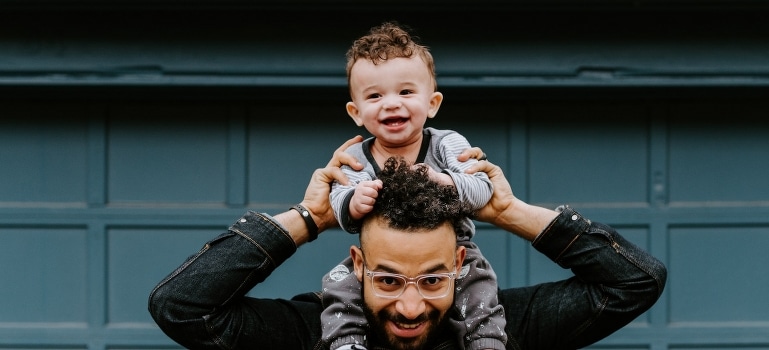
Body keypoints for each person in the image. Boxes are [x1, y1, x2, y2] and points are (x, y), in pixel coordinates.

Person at [147, 135, 668, 350]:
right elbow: (181, 307)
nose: (411, 306)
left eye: (434, 278)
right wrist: (310, 218)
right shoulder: (312, 332)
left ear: (461, 261)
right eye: (389, 279)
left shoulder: (501, 328)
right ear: (357, 264)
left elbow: (635, 281)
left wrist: (509, 212)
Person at [324, 21, 504, 350]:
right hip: (380, 259)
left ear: (432, 103)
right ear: (356, 112)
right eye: (375, 96)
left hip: (452, 251)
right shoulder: (355, 155)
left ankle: (487, 344)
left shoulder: (447, 144)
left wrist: (444, 180)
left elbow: (482, 190)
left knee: (481, 298)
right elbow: (337, 201)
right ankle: (347, 343)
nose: (392, 103)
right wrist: (353, 200)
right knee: (340, 289)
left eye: (406, 92)